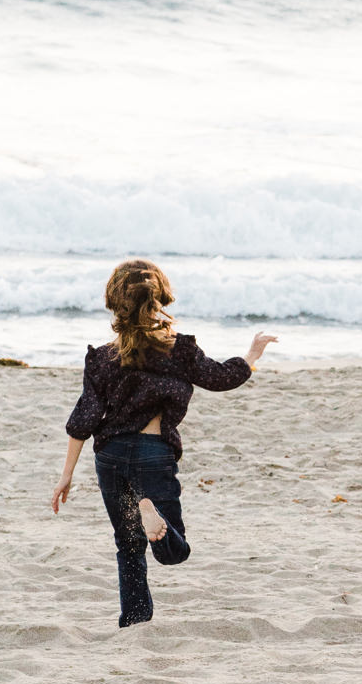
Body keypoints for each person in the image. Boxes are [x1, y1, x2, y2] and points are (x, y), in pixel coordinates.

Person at [51, 259, 275, 626]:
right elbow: (220, 378)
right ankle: (152, 516)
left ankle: (135, 623)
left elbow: (84, 421)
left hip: (109, 457)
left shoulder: (103, 359)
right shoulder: (179, 351)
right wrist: (251, 355)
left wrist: (66, 476)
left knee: (128, 546)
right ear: (159, 299)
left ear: (117, 303)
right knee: (173, 551)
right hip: (152, 455)